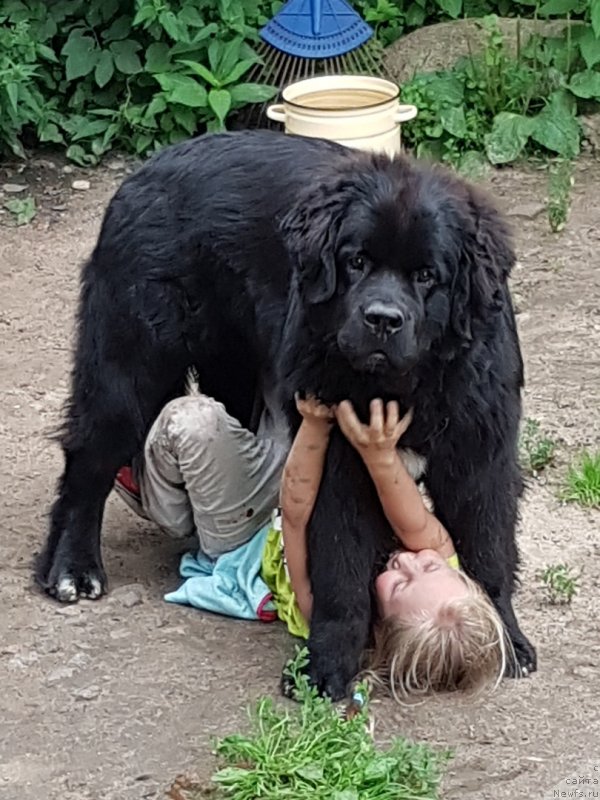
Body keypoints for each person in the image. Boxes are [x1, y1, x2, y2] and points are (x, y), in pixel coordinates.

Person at [115, 378, 509, 702]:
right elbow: (414, 523)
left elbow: (297, 513)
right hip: (321, 476)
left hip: (247, 531)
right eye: (428, 565)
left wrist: (314, 425)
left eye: (401, 584)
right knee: (284, 370)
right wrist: (380, 455)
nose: (405, 562)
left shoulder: (322, 611)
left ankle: (149, 489)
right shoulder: (436, 566)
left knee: (191, 423)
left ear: (380, 633)